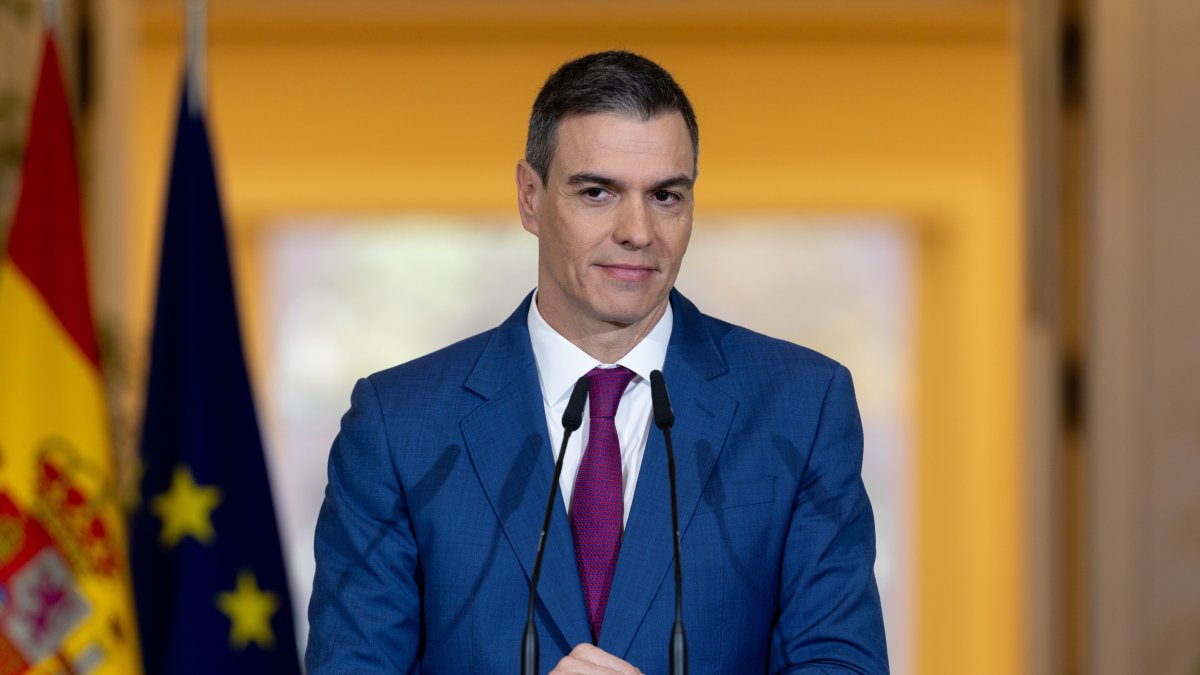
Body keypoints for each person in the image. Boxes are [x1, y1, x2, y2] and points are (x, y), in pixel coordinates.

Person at [305, 50, 888, 674]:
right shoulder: (400, 424)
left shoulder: (803, 406)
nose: (637, 230)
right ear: (531, 198)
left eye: (665, 195)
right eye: (597, 192)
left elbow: (841, 664)